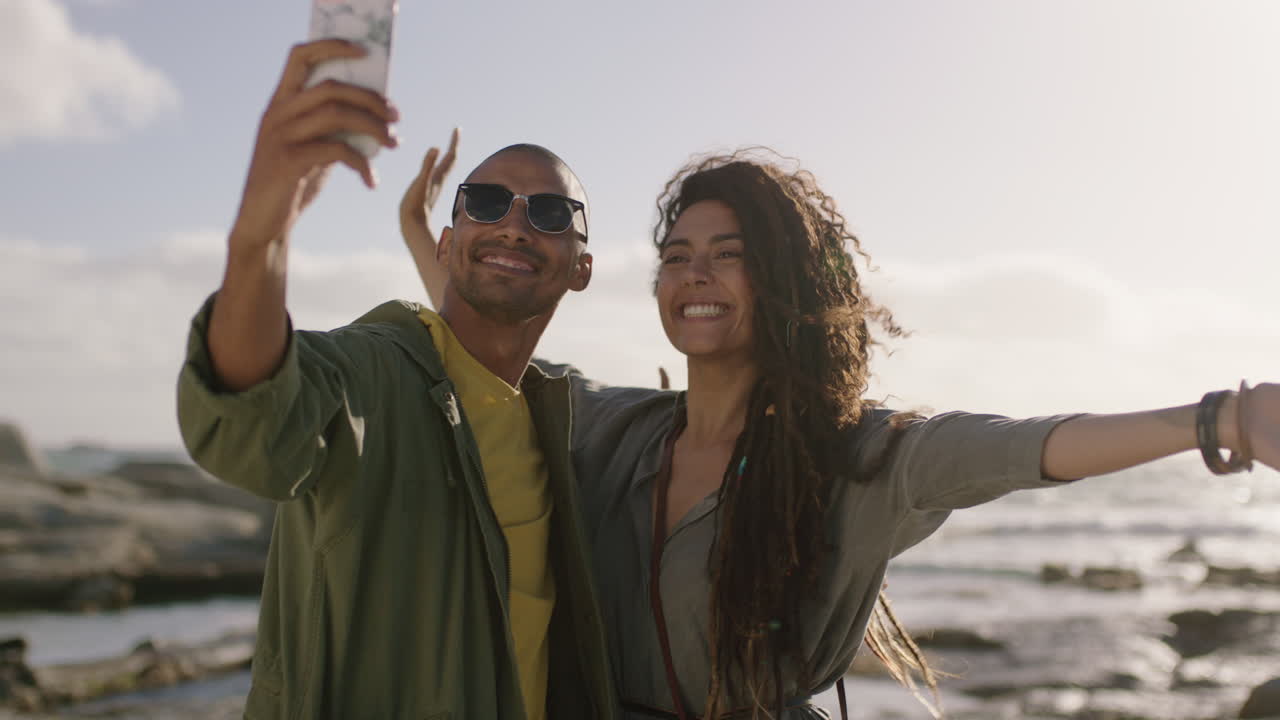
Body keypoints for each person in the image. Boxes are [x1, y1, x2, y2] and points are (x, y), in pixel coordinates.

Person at [401, 140, 1278, 719]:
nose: (694, 276)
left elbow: (1025, 447)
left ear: (780, 281)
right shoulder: (613, 428)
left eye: (728, 254)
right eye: (677, 257)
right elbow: (489, 368)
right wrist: (446, 261)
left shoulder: (849, 456)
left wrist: (1217, 420)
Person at [175, 40, 615, 720]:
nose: (516, 225)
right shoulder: (374, 375)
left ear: (581, 268)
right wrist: (262, 230)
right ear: (448, 242)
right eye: (488, 202)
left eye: (551, 214)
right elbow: (254, 418)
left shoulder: (560, 414)